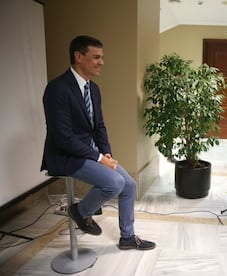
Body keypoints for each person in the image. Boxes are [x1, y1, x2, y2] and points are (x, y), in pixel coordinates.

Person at [41, 35, 156, 250]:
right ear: (78, 56)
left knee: (129, 185)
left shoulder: (93, 89)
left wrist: (107, 153)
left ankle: (127, 237)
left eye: (102, 57)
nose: (102, 62)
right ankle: (80, 211)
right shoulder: (57, 88)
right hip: (66, 155)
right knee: (114, 183)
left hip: (91, 151)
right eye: (96, 57)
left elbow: (99, 126)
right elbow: (63, 138)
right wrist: (99, 158)